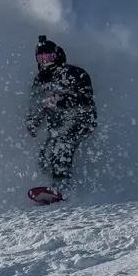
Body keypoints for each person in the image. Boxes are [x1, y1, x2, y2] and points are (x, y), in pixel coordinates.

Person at [25, 35, 97, 192]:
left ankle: (63, 185)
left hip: (81, 119)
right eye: (41, 58)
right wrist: (33, 121)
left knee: (61, 144)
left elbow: (86, 99)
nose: (45, 62)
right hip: (57, 125)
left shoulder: (74, 73)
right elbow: (36, 105)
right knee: (44, 155)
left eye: (48, 57)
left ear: (56, 55)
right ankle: (52, 185)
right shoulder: (40, 81)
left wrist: (62, 100)